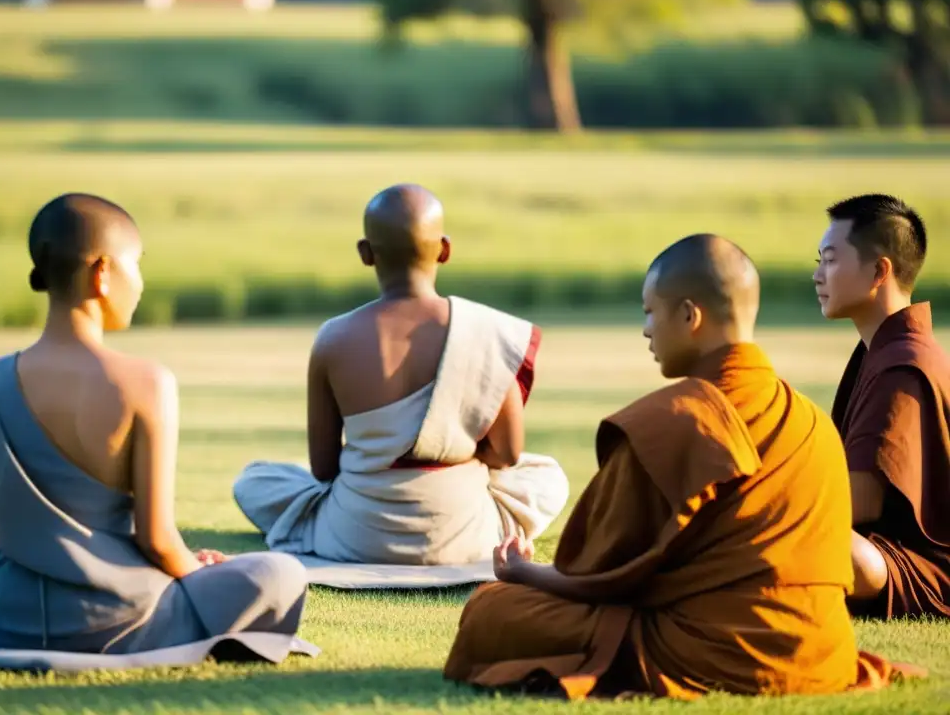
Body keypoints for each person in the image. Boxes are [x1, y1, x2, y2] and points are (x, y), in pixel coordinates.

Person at [443, 234, 903, 700]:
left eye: (650, 312)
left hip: (704, 649)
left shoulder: (673, 419)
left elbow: (599, 578)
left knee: (492, 610)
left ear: (689, 315)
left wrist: (524, 572)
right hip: (818, 653)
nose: (645, 330)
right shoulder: (811, 422)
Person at [0, 193, 309, 653]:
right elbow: (156, 539)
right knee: (281, 572)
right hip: (109, 621)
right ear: (103, 273)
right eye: (137, 265)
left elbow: (12, 519)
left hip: (3, 615)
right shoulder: (144, 383)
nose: (142, 284)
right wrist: (199, 573)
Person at [233, 184, 568, 565]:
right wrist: (448, 454)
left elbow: (323, 469)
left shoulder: (334, 337)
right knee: (548, 477)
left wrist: (381, 456)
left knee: (255, 481)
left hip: (354, 535)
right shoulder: (485, 331)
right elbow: (507, 454)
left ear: (366, 253)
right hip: (466, 534)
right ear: (444, 249)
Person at [815, 193, 949, 619]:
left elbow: (862, 503)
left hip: (918, 567)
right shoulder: (881, 350)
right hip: (878, 547)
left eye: (831, 260)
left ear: (879, 270)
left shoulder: (904, 363)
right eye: (819, 260)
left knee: (839, 551)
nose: (818, 275)